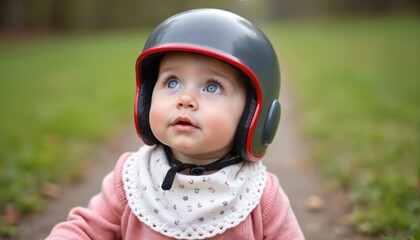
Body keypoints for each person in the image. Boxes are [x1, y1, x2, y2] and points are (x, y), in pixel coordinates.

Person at [46, 8, 305, 240]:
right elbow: (85, 230)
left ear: (255, 116)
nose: (185, 99)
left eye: (212, 86)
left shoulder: (259, 197)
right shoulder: (132, 180)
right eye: (172, 83)